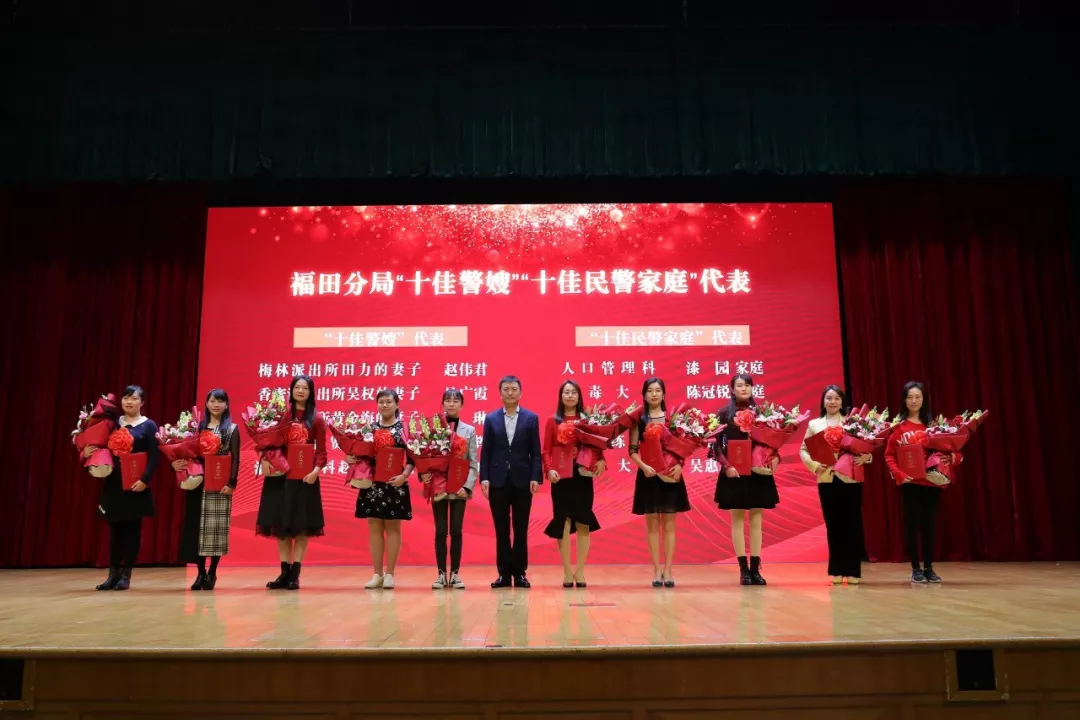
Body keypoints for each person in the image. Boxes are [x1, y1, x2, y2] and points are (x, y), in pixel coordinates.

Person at [83, 385, 158, 591]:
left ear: (142, 402)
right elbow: (100, 446)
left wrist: (145, 480)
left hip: (136, 484)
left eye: (134, 398)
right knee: (115, 531)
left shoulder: (149, 425)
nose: (129, 402)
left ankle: (126, 575)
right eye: (126, 398)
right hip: (114, 482)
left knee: (132, 530)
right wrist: (87, 450)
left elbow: (154, 456)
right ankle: (112, 575)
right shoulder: (112, 423)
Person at [255, 374, 327, 591]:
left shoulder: (317, 419)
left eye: (305, 388)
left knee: (302, 528)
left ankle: (295, 574)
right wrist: (265, 459)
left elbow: (321, 451)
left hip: (305, 479)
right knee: (281, 527)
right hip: (281, 477)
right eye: (297, 387)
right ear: (291, 391)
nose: (301, 391)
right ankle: (284, 573)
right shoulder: (280, 416)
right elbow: (266, 444)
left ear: (311, 392)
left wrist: (315, 471)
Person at [885, 381, 955, 584]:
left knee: (929, 526)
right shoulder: (898, 427)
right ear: (904, 400)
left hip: (931, 483)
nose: (914, 401)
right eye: (909, 397)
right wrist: (899, 475)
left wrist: (952, 457)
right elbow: (889, 455)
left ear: (924, 399)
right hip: (910, 484)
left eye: (917, 396)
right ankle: (915, 568)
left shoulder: (933, 426)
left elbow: (951, 450)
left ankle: (929, 567)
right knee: (912, 526)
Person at [799, 385, 871, 585]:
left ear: (842, 402)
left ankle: (853, 571)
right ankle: (837, 570)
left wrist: (867, 457)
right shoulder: (815, 424)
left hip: (850, 478)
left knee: (853, 524)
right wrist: (815, 466)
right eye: (829, 398)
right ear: (823, 401)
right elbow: (803, 450)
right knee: (834, 525)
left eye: (836, 398)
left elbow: (867, 445)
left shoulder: (853, 423)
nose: (833, 402)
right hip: (827, 478)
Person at [714, 373, 777, 586]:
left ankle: (755, 569)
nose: (744, 388)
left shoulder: (763, 413)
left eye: (748, 385)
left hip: (758, 472)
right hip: (734, 472)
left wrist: (774, 458)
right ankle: (743, 570)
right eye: (740, 385)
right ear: (732, 389)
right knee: (738, 520)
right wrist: (727, 466)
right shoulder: (724, 413)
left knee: (757, 520)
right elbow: (715, 445)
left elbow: (773, 442)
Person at [480, 375, 543, 589]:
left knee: (521, 528)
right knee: (501, 529)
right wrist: (484, 477)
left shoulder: (530, 418)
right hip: (497, 481)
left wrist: (535, 476)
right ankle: (504, 574)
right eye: (506, 389)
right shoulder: (491, 419)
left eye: (514, 389)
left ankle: (520, 573)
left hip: (522, 481)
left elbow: (535, 451)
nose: (510, 392)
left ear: (520, 393)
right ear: (500, 393)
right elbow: (486, 451)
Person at [628, 377, 690, 588]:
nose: (654, 394)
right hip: (648, 476)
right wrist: (644, 467)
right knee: (653, 526)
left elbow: (682, 448)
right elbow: (632, 450)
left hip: (671, 476)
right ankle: (656, 569)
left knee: (670, 525)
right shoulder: (639, 419)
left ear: (664, 394)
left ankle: (669, 569)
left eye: (657, 390)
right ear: (644, 395)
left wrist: (680, 465)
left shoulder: (674, 419)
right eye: (649, 391)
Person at [178, 389, 240, 591]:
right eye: (213, 401)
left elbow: (235, 458)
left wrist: (232, 483)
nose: (216, 405)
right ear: (206, 403)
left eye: (220, 401)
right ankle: (200, 573)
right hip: (198, 483)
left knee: (215, 531)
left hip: (220, 486)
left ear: (226, 405)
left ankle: (212, 571)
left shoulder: (231, 429)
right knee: (197, 530)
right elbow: (187, 454)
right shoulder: (196, 428)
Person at [542, 380, 603, 588]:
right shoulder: (553, 420)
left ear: (579, 396)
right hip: (561, 476)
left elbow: (596, 445)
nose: (570, 396)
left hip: (583, 475)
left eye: (573, 392)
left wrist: (600, 460)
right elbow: (546, 450)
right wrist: (548, 469)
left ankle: (581, 571)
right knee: (564, 521)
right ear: (561, 396)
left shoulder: (587, 419)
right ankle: (568, 570)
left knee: (583, 520)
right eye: (566, 392)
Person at [353, 389, 414, 589]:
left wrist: (404, 476)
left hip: (395, 483)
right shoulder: (369, 429)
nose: (385, 405)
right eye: (381, 402)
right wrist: (351, 458)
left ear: (397, 404)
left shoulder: (404, 429)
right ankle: (377, 573)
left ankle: (390, 574)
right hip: (372, 484)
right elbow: (361, 456)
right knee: (374, 528)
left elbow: (413, 458)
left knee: (393, 527)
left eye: (389, 401)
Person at [426, 389, 479, 590]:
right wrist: (424, 475)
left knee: (456, 530)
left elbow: (473, 462)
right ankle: (441, 574)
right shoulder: (432, 429)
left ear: (462, 405)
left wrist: (467, 487)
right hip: (438, 487)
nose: (451, 404)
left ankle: (455, 574)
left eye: (456, 401)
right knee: (441, 531)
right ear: (442, 404)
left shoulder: (469, 430)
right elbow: (425, 458)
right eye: (448, 400)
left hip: (459, 489)